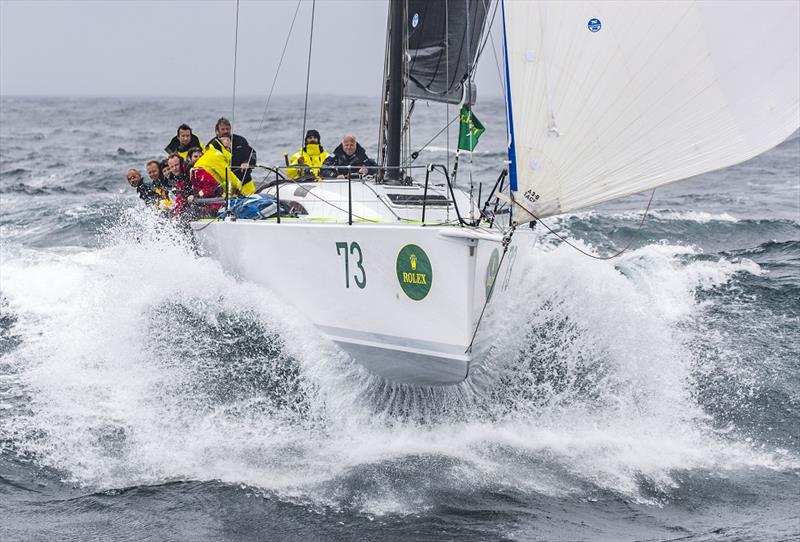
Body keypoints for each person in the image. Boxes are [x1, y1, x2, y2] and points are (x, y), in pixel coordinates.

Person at [206, 117, 256, 194]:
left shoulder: (240, 140)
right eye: (223, 129)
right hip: (225, 186)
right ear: (217, 131)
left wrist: (247, 163)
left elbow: (252, 153)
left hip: (245, 181)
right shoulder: (211, 145)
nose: (226, 131)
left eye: (228, 129)